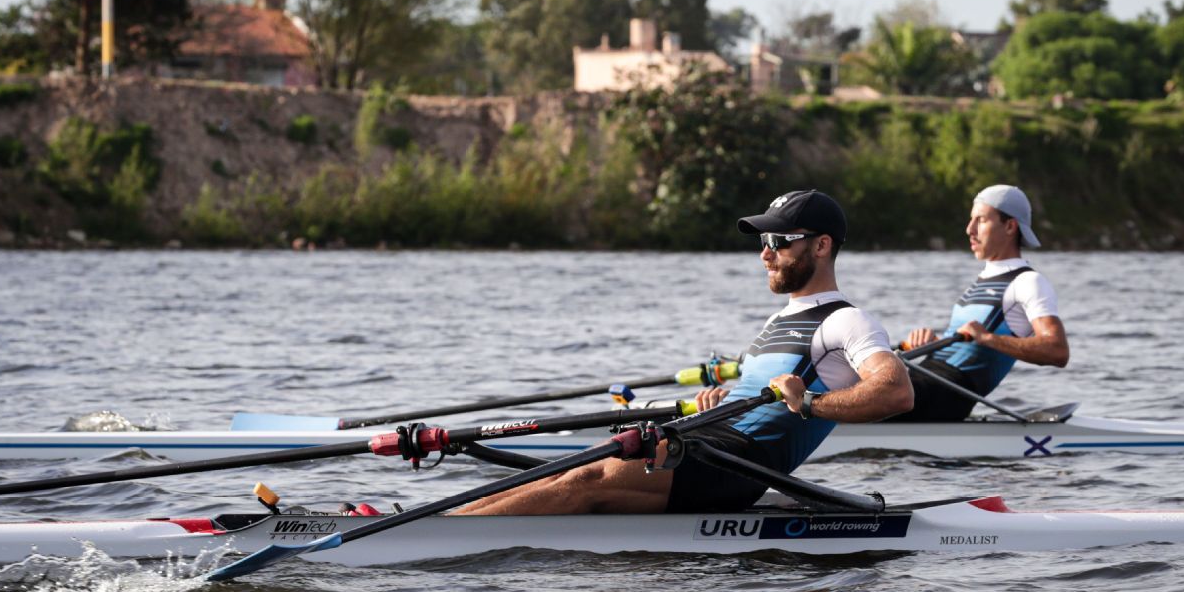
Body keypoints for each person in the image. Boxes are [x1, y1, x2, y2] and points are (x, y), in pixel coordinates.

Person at [456, 190, 913, 516]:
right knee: (567, 467)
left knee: (585, 481)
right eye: (762, 242)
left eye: (778, 242)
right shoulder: (778, 321)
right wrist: (717, 403)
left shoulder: (847, 320)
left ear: (822, 245)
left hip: (738, 468)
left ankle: (428, 538)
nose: (765, 255)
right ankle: (436, 525)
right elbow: (760, 396)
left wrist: (809, 402)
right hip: (707, 440)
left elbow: (895, 393)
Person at [892, 185, 1069, 422]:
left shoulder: (1028, 282)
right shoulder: (982, 281)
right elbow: (964, 345)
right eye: (970, 220)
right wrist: (931, 343)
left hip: (947, 394)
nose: (969, 229)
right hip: (924, 379)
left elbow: (1057, 350)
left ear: (1009, 226)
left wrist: (987, 339)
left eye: (981, 220)